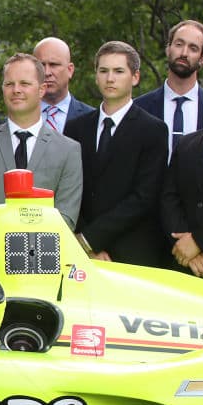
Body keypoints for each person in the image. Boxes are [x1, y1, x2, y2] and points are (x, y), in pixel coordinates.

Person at [65, 41, 168, 267]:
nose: (110, 78)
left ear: (135, 77)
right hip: (80, 252)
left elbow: (144, 197)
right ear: (96, 76)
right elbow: (69, 188)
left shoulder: (153, 130)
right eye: (103, 71)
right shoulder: (76, 128)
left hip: (132, 251)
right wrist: (83, 242)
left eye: (118, 71)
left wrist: (91, 239)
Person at [0, 54, 83, 260]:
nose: (16, 90)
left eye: (24, 83)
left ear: (41, 89)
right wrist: (2, 248)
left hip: (43, 263)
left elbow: (65, 215)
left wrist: (26, 252)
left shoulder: (69, 150)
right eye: (9, 84)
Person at [162, 66, 203, 277]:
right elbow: (169, 199)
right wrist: (185, 247)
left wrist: (200, 241)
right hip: (183, 268)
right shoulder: (186, 144)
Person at [135, 20, 203, 152]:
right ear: (168, 49)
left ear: (202, 59)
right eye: (179, 44)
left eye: (193, 48)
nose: (184, 53)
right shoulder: (139, 108)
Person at [33, 37, 96, 134]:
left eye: (53, 65)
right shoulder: (18, 117)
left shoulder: (93, 120)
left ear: (70, 70)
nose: (47, 72)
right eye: (41, 66)